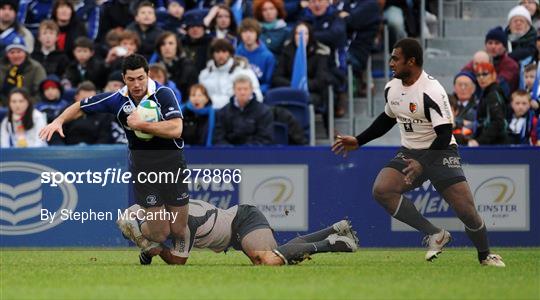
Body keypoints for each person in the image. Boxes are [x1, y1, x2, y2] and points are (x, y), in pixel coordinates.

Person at [331, 38, 505, 267]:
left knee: (466, 211)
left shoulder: (431, 91)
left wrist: (424, 164)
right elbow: (388, 118)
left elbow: (444, 134)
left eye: (396, 58)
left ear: (411, 61)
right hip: (410, 151)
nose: (391, 62)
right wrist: (359, 140)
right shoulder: (391, 87)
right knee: (382, 190)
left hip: (441, 151)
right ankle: (435, 234)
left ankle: (485, 255)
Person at [40, 54, 191, 245]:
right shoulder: (117, 99)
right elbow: (81, 106)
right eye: (131, 79)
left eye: (140, 78)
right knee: (160, 234)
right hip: (144, 168)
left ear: (148, 75)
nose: (136, 84)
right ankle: (136, 229)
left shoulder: (164, 94)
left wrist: (142, 125)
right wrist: (59, 120)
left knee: (178, 230)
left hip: (172, 165)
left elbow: (176, 129)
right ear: (123, 78)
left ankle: (138, 222)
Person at [117, 199, 359, 265]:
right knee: (275, 254)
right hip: (234, 228)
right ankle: (335, 229)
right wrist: (147, 249)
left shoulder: (183, 222)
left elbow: (178, 260)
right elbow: (139, 217)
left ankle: (333, 243)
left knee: (267, 260)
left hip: (242, 221)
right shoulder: (163, 213)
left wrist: (153, 249)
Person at [272, 22, 331, 113]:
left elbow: (321, 79)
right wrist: (294, 85)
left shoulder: (319, 53)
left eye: (305, 34)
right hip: (290, 89)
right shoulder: (287, 52)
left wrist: (304, 85)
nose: (301, 36)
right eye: (298, 33)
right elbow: (277, 77)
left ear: (310, 36)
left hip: (312, 92)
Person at [199, 38, 263, 109]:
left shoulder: (243, 71)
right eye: (217, 52)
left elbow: (257, 95)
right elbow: (199, 96)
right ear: (212, 54)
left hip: (237, 113)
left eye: (224, 51)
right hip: (209, 113)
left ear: (230, 53)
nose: (221, 55)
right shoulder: (205, 74)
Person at [213, 75, 273, 145]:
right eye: (239, 89)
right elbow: (218, 138)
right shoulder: (223, 112)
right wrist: (230, 151)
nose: (242, 93)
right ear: (234, 90)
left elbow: (264, 139)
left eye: (245, 89)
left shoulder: (264, 112)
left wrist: (243, 151)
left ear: (251, 90)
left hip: (254, 153)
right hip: (228, 153)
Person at [462, 28, 520, 94]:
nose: (493, 46)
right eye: (490, 43)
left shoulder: (510, 64)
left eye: (497, 43)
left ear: (504, 47)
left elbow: (499, 83)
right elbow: (465, 73)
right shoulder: (481, 59)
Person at [468, 62, 509, 146]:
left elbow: (498, 122)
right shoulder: (487, 93)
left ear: (493, 75)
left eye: (485, 74)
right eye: (478, 75)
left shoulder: (493, 94)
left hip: (495, 145)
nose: (481, 78)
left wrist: (479, 141)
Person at [150, 31, 198, 101]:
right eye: (163, 44)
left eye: (171, 43)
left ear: (177, 46)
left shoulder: (188, 67)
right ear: (159, 48)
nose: (167, 47)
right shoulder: (153, 67)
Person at [236, 18, 276, 93]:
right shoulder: (236, 53)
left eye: (251, 32)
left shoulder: (268, 56)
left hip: (258, 93)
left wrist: (253, 92)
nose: (248, 35)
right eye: (244, 32)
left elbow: (268, 83)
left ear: (257, 34)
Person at [449, 71, 477, 145]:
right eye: (460, 85)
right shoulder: (447, 102)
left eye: (466, 85)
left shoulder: (479, 106)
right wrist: (462, 122)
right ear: (454, 88)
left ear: (473, 89)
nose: (463, 88)